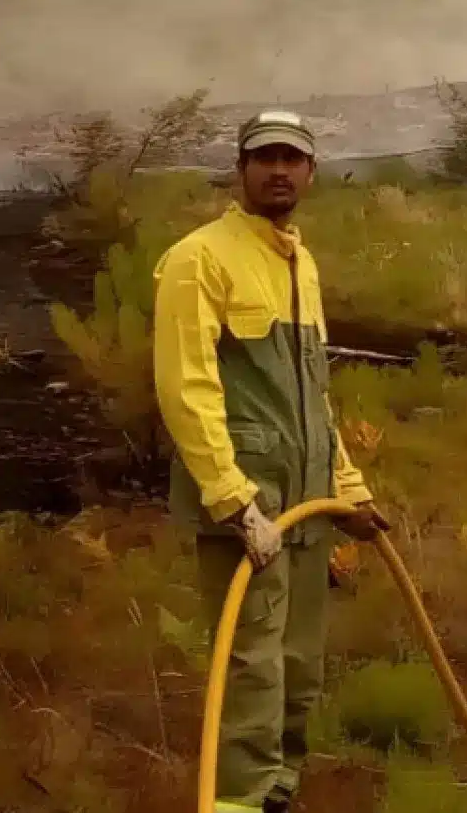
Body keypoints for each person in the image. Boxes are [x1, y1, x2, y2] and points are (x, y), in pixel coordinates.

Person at [153, 110, 390, 813]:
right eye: (265, 158)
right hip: (248, 504)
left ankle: (279, 790)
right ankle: (236, 802)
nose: (279, 170)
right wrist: (231, 500)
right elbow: (185, 386)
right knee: (251, 662)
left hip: (308, 498)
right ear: (240, 169)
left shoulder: (298, 261)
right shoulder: (200, 258)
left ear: (311, 173)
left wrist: (349, 488)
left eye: (293, 158)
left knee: (297, 663)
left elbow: (314, 393)